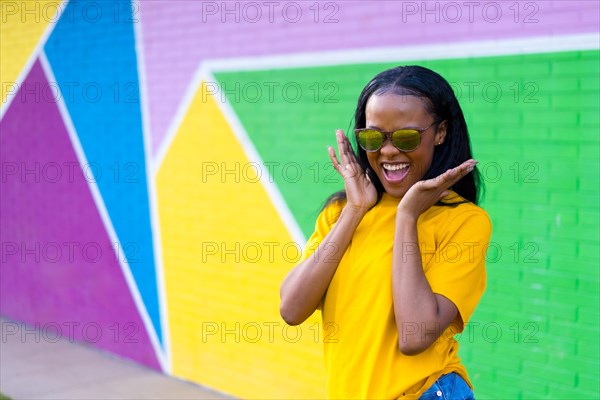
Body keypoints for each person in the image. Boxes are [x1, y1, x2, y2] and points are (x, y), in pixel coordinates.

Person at [279, 65, 492, 399]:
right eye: (373, 137)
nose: (388, 151)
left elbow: (414, 336)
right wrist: (354, 210)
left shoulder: (464, 221)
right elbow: (291, 309)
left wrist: (407, 215)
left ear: (441, 132)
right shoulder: (341, 212)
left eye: (406, 137)